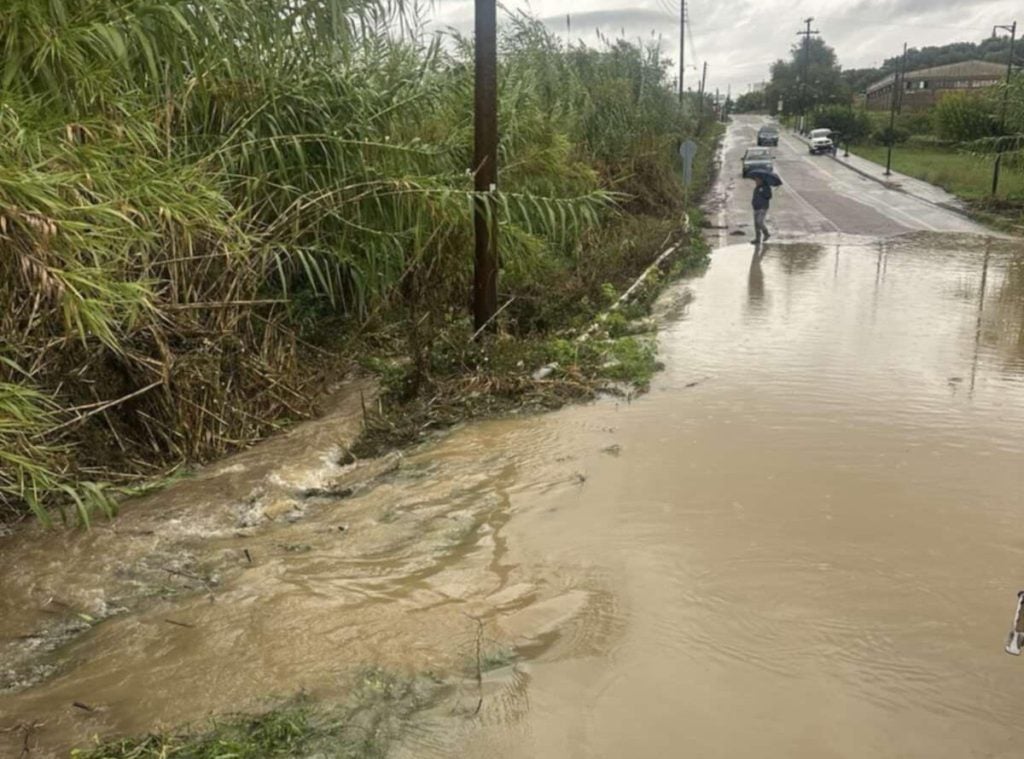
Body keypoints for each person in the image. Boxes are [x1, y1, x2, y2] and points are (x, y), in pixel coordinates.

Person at [751, 175, 772, 245]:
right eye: (755, 180)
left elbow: (769, 196)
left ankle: (766, 233)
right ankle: (757, 238)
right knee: (756, 224)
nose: (756, 182)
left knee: (759, 221)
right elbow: (755, 197)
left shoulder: (766, 187)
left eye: (757, 180)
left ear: (761, 180)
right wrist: (753, 203)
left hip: (763, 207)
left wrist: (763, 191)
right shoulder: (757, 188)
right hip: (756, 207)